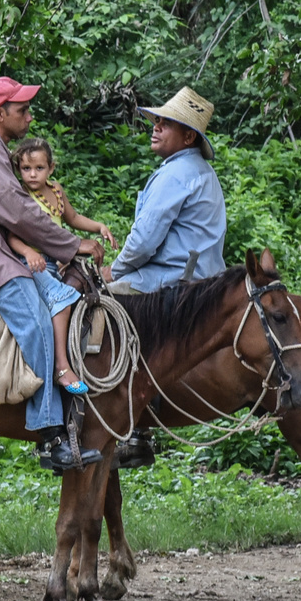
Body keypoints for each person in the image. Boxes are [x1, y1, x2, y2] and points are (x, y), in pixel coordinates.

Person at [0, 77, 106, 471]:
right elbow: (17, 211)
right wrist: (70, 243)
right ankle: (50, 436)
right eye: (22, 110)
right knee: (39, 323)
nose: (28, 117)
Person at [101, 86, 227, 467]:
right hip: (194, 276)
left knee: (100, 305)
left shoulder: (178, 174)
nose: (155, 128)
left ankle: (131, 425)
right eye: (156, 121)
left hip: (171, 281)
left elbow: (144, 240)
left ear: (188, 136)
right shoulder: (195, 170)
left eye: (165, 123)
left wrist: (113, 269)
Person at [6, 137, 118, 277]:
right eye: (26, 168)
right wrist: (28, 253)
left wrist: (99, 226)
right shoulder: (23, 196)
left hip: (53, 259)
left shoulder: (55, 189)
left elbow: (73, 218)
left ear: (51, 168)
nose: (33, 174)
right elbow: (12, 237)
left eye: (39, 168)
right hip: (33, 261)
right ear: (18, 169)